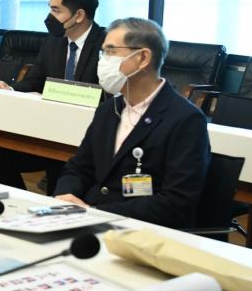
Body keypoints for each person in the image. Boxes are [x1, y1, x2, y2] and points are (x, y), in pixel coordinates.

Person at [54, 18, 210, 229]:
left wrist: (96, 213)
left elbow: (176, 201)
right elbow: (79, 167)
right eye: (103, 52)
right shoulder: (108, 110)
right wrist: (66, 196)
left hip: (141, 231)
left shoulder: (185, 119)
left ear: (143, 58)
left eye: (111, 51)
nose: (103, 60)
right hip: (89, 220)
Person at [0, 0, 106, 194]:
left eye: (56, 10)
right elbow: (35, 79)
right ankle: (21, 206)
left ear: (79, 15)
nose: (49, 17)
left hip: (86, 139)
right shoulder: (54, 41)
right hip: (51, 129)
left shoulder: (107, 44)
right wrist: (11, 90)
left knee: (60, 173)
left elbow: (107, 96)